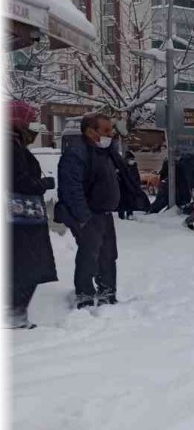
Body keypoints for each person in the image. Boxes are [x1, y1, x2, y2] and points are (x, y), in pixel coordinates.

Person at [56, 113, 122, 308]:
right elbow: (71, 187)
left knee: (108, 254)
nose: (111, 134)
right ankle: (84, 294)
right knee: (89, 255)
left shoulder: (104, 152)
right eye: (106, 130)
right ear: (91, 132)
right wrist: (83, 216)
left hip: (104, 213)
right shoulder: (77, 153)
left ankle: (107, 291)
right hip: (88, 214)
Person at [6, 102, 57, 328]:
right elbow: (18, 180)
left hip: (19, 216)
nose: (30, 124)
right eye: (27, 119)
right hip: (19, 217)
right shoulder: (10, 144)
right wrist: (43, 183)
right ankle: (13, 314)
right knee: (28, 264)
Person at [118, 149, 138, 220]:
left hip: (131, 188)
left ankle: (130, 214)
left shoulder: (134, 167)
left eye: (133, 159)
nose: (132, 160)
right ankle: (121, 215)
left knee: (130, 202)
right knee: (122, 202)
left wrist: (137, 186)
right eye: (130, 159)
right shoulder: (122, 167)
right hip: (123, 188)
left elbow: (137, 177)